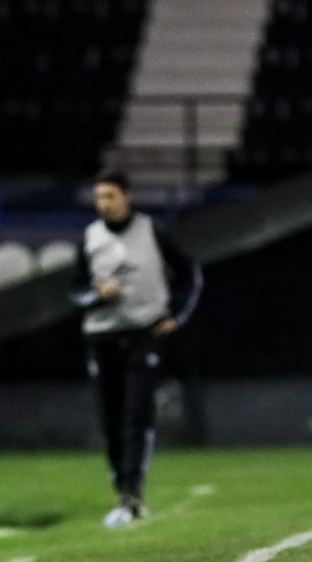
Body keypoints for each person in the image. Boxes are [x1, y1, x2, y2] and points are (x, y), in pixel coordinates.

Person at [71, 169, 203, 528]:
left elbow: (189, 272)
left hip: (144, 334)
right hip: (101, 337)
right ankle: (122, 487)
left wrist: (177, 314)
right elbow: (75, 291)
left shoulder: (152, 230)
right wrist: (98, 294)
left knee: (137, 414)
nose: (104, 204)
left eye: (110, 196)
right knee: (110, 419)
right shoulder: (91, 237)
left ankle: (132, 492)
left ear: (126, 196)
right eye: (99, 197)